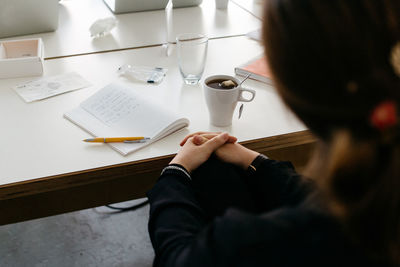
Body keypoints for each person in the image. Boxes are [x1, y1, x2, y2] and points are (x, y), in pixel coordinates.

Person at [147, 0, 400, 266]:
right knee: (218, 171)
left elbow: (177, 258)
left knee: (212, 176)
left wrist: (175, 173)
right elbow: (318, 199)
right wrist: (256, 161)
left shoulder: (265, 240)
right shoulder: (376, 184)